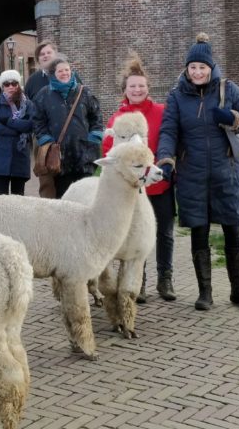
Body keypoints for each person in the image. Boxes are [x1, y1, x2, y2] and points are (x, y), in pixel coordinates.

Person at [156, 33, 239, 312]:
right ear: (187, 69)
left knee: (232, 231)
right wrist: (165, 160)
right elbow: (168, 131)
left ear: (211, 68)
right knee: (199, 232)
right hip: (192, 175)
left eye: (202, 67)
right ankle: (205, 293)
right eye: (193, 67)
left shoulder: (229, 90)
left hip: (225, 173)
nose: (197, 72)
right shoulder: (177, 96)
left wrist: (233, 119)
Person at [101, 53, 177, 304]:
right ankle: (138, 281)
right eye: (132, 86)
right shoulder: (118, 118)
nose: (137, 90)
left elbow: (169, 139)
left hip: (159, 183)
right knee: (135, 234)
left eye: (141, 86)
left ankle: (165, 278)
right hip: (133, 189)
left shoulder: (161, 112)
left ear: (147, 88)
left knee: (164, 232)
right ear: (125, 89)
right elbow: (109, 151)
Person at [31, 54, 104, 198]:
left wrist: (94, 136)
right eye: (60, 71)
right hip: (59, 156)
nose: (64, 73)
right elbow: (37, 120)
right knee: (63, 196)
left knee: (85, 195)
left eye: (67, 70)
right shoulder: (44, 94)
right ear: (54, 73)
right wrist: (46, 140)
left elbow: (96, 116)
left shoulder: (84, 92)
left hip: (84, 153)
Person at [0, 69, 36, 195]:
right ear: (2, 87)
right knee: (0, 199)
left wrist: (8, 121)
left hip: (20, 157)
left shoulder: (28, 104)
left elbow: (31, 124)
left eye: (14, 83)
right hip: (0, 157)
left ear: (19, 85)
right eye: (7, 84)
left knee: (18, 198)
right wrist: (16, 131)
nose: (11, 87)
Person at [26, 40, 59, 198]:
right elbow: (27, 106)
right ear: (38, 59)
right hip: (42, 136)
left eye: (48, 52)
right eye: (42, 54)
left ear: (55, 55)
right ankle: (49, 208)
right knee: (45, 177)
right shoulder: (33, 80)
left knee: (67, 173)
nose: (46, 56)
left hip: (64, 133)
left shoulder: (67, 75)